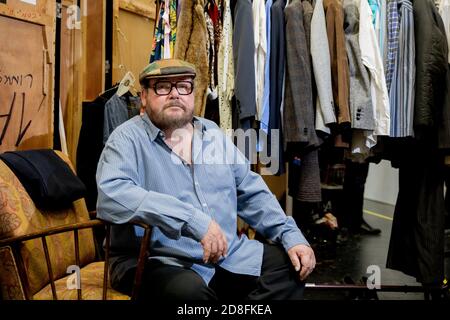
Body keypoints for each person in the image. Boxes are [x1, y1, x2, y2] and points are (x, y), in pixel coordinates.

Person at [96, 58, 315, 300]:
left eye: (184, 86)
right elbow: (111, 196)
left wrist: (289, 234)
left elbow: (250, 191)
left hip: (227, 254)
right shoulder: (126, 139)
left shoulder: (212, 134)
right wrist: (192, 220)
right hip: (158, 260)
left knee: (291, 267)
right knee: (189, 295)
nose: (175, 94)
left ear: (193, 94)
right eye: (162, 87)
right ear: (145, 97)